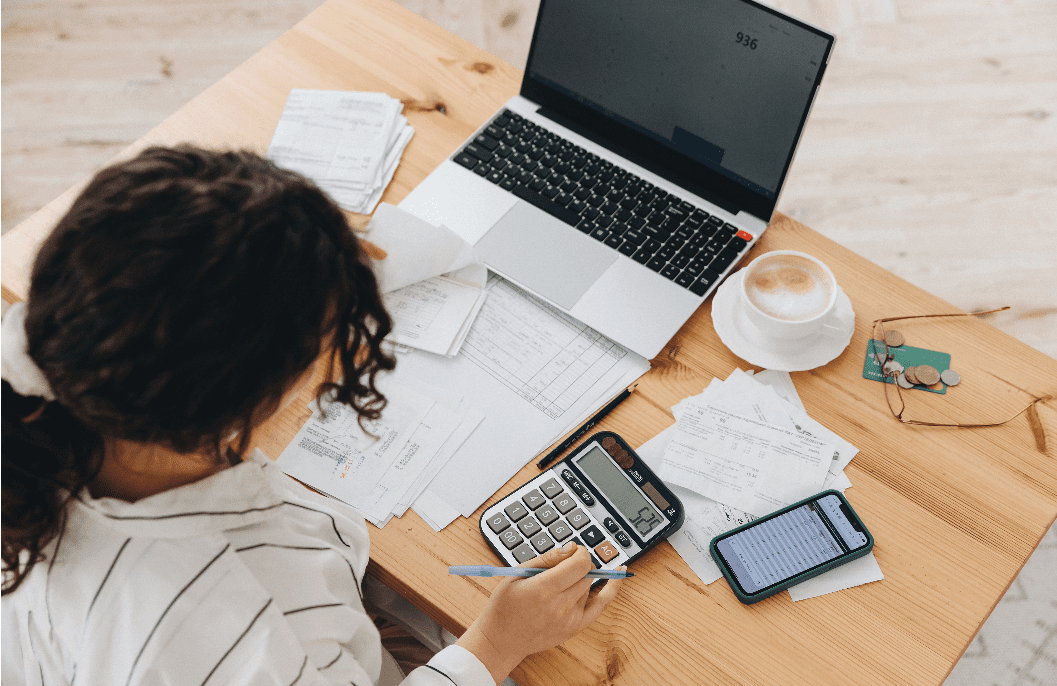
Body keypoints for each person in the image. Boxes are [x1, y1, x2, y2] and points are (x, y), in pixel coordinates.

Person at [1, 145, 622, 686]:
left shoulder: (53, 373)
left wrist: (300, 236)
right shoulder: (227, 632)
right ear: (237, 407)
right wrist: (495, 645)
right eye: (329, 338)